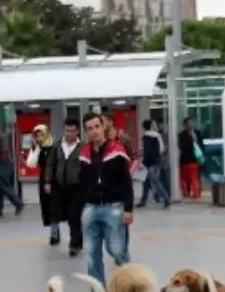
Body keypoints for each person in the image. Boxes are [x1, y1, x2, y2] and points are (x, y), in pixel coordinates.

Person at [79, 113, 135, 281]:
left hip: (113, 207)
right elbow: (83, 182)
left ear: (103, 126)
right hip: (91, 207)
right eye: (90, 129)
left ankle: (130, 286)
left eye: (97, 126)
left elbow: (126, 181)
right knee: (91, 255)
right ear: (86, 132)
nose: (94, 131)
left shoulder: (116, 151)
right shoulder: (84, 153)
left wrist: (128, 209)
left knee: (117, 251)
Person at [45, 118, 85, 257]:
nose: (69, 134)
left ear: (78, 131)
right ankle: (55, 235)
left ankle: (75, 243)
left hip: (77, 187)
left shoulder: (83, 147)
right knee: (56, 212)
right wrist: (48, 181)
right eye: (67, 130)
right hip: (59, 186)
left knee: (75, 215)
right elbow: (50, 164)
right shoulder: (57, 146)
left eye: (72, 131)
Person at [0, 119, 23, 217]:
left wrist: (2, 162)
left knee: (4, 186)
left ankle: (18, 203)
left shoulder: (2, 137)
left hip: (2, 165)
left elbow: (5, 151)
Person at [31, 126, 58, 245]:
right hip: (43, 179)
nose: (39, 138)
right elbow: (31, 163)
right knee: (46, 206)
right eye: (37, 136)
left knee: (54, 207)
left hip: (54, 179)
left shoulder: (55, 148)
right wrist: (36, 148)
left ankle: (54, 234)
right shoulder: (39, 149)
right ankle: (55, 232)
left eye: (41, 135)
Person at [136, 118, 170, 209]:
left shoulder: (144, 136)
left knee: (149, 181)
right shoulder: (157, 135)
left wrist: (141, 161)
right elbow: (161, 149)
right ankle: (165, 198)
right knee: (152, 181)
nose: (155, 125)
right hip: (156, 161)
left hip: (147, 162)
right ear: (151, 125)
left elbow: (142, 150)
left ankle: (145, 201)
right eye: (153, 124)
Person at [178, 118, 201, 199]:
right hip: (189, 159)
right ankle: (193, 192)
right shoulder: (194, 134)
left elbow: (180, 146)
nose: (190, 125)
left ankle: (191, 192)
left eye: (191, 123)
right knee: (189, 177)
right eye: (189, 124)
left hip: (190, 159)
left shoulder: (182, 135)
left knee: (190, 177)